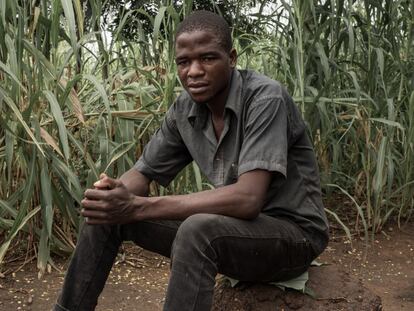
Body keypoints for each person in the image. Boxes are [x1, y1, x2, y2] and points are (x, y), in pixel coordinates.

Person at [53, 10, 329, 311]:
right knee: (107, 214)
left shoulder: (265, 99)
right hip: (235, 232)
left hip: (293, 236)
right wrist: (111, 195)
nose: (194, 71)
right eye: (184, 62)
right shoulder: (185, 110)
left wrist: (139, 206)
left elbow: (248, 199)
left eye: (208, 58)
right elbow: (142, 174)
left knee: (196, 230)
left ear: (232, 58)